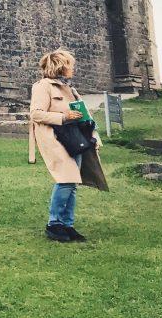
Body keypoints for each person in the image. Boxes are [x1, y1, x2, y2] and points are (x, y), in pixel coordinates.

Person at [29, 48, 108, 242]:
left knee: (72, 182)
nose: (73, 68)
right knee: (65, 180)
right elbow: (36, 114)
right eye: (70, 65)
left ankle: (67, 225)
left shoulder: (69, 89)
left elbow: (82, 113)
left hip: (74, 139)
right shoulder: (42, 86)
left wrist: (93, 134)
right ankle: (54, 224)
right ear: (61, 67)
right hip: (55, 138)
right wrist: (64, 117)